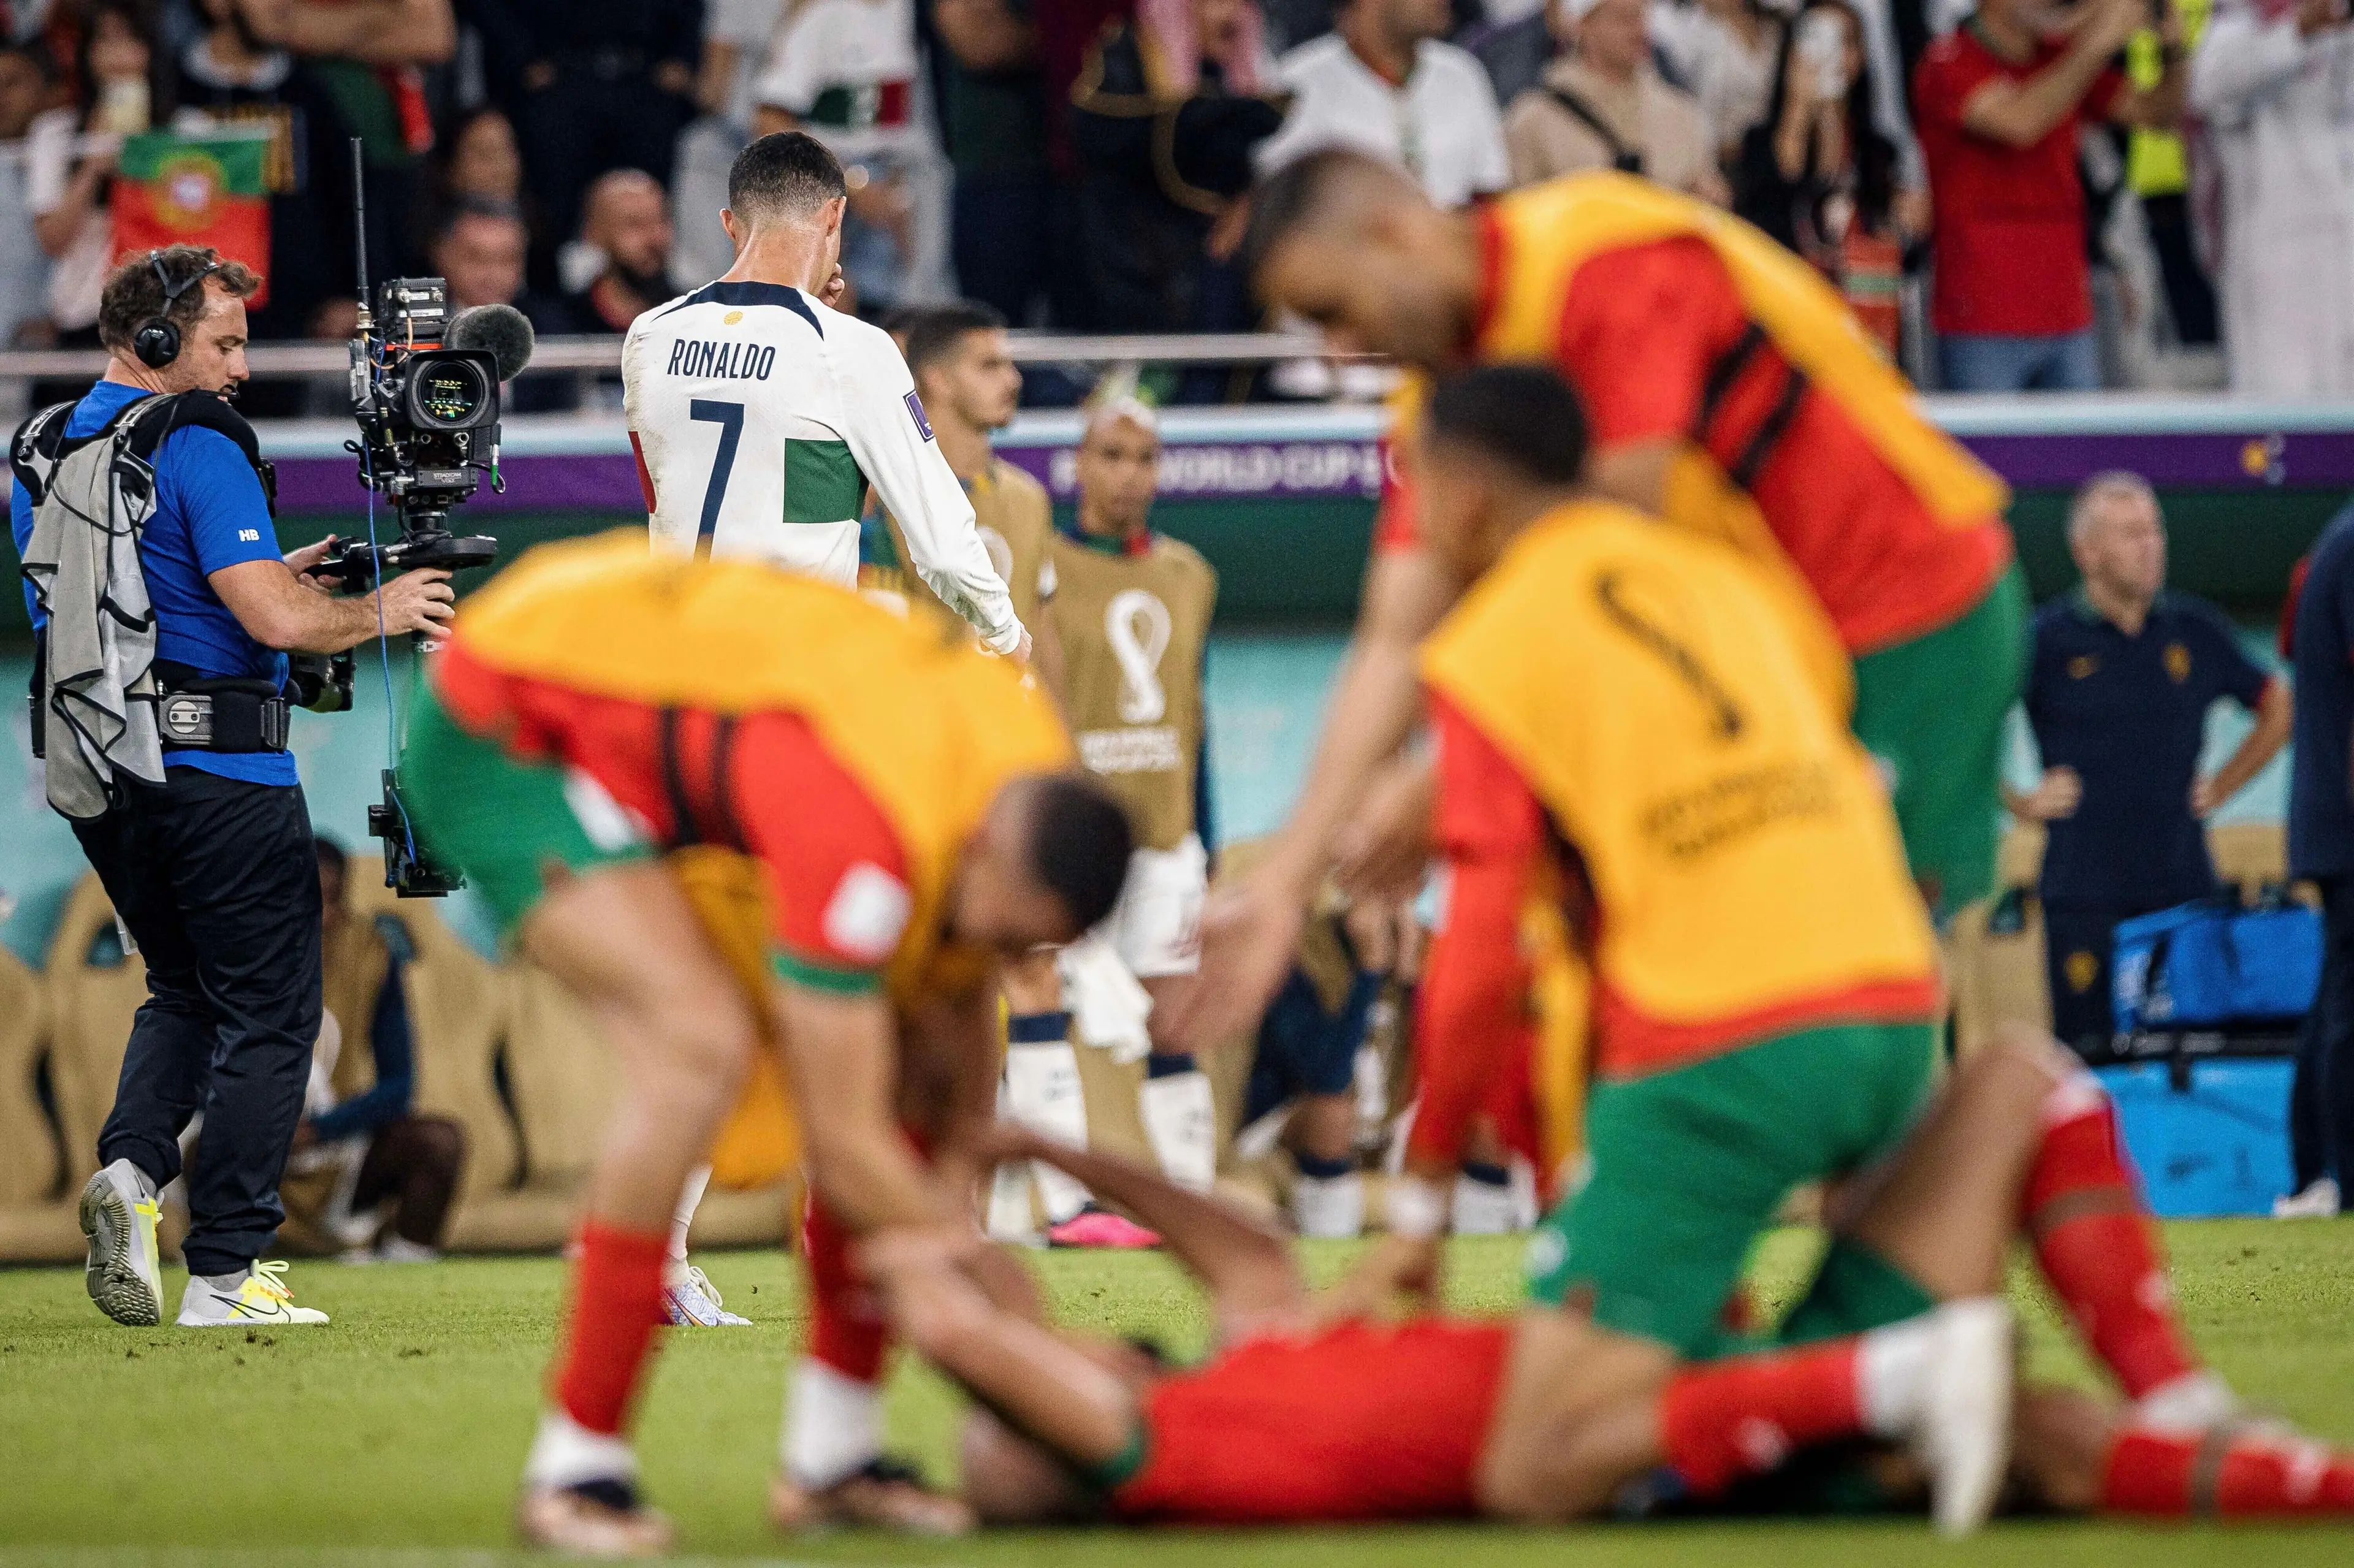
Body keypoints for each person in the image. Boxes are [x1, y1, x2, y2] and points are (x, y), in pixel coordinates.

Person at [1176, 153, 2021, 1051]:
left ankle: (1993, 1165)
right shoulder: (1445, 402)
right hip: (1776, 657)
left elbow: (1613, 562)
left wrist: (1442, 778)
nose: (1338, 355)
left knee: (1874, 970)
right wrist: (1281, 885)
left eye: (1333, 313)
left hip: (1913, 619)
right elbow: (1395, 636)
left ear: (1397, 234)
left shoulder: (1604, 262)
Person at [394, 531, 1135, 1550]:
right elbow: (842, 1131)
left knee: (904, 1095)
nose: (993, 958)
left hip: (692, 721)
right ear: (985, 848)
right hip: (511, 717)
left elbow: (952, 1046)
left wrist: (953, 1185)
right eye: (1002, 933)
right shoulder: (867, 823)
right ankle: (576, 1468)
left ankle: (833, 1462)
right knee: (699, 1047)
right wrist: (980, 1279)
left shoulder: (1017, 783)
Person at [874, 1019, 2339, 1531]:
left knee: (2016, 1074)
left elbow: (1240, 1250)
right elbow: (951, 1312)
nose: (994, 1431)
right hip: (1669, 1440)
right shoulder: (1161, 1456)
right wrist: (899, 1194)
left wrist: (1045, 1139)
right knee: (2048, 1443)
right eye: (1005, 1425)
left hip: (1669, 1350)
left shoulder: (1257, 1353)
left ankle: (2192, 1399)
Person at [13, 246, 453, 1330]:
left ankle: (128, 1174)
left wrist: (269, 575)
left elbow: (137, 599)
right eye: (224, 341)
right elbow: (277, 623)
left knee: (184, 990)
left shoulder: (46, 441)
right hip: (221, 764)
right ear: (154, 342)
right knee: (273, 1014)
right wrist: (379, 610)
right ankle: (224, 1274)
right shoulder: (198, 435)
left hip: (106, 775)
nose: (241, 368)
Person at [622, 133, 1029, 660]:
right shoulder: (850, 349)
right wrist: (1005, 634)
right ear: (836, 215)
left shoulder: (649, 335)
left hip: (682, 661)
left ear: (729, 225)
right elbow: (943, 546)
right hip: (792, 669)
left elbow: (672, 482)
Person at [2011, 473, 2290, 1052]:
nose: (2151, 545)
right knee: (2089, 1060)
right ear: (2087, 552)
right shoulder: (2047, 639)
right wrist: (2020, 800)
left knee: (2192, 1052)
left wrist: (2223, 785)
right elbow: (1964, 722)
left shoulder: (2194, 629)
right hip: (2083, 895)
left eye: (2155, 530)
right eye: (2131, 534)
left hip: (2183, 885)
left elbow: (2278, 706)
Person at [1046, 399, 1221, 1190]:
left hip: (1164, 844)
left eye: (1146, 457)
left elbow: (1194, 716)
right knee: (1045, 1016)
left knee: (1175, 1023)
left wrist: (1206, 846)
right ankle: (1049, 1206)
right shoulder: (1037, 565)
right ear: (1078, 464)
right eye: (1112, 455)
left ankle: (1189, 1198)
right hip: (1073, 841)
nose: (1129, 474)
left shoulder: (1189, 574)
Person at [1912, 0, 2184, 394]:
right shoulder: (1948, 61)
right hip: (1983, 316)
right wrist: (2097, 40)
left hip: (2068, 312)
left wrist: (2173, 48)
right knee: (1988, 456)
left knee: (2080, 454)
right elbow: (2020, 122)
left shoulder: (2060, 60)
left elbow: (2158, 113)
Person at [284, 837, 469, 1262]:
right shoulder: (240, 953)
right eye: (311, 901)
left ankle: (403, 1265)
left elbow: (399, 1084)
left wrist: (319, 1130)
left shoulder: (370, 954)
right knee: (212, 1146)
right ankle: (227, 1260)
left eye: (335, 901)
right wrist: (267, 1130)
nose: (325, 917)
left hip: (335, 1143)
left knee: (440, 1142)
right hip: (253, 1147)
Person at [1068, 0, 1286, 337]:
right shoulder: (1126, 59)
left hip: (1220, 262)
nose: (1229, 15)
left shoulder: (1224, 73)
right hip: (1137, 263)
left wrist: (1246, 207)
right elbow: (1116, 146)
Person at [2189, 0, 2354, 395]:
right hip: (2276, 249)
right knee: (2281, 401)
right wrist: (2298, 30)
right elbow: (2207, 88)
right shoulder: (2247, 12)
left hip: (2344, 237)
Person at [1732, 0, 1908, 356]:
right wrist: (1798, 109)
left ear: (1861, 56)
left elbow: (1898, 240)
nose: (1832, 55)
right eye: (1816, 41)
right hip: (1787, 324)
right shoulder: (1757, 143)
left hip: (1865, 330)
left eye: (1845, 42)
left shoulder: (1878, 152)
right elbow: (1766, 220)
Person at [470, 0, 704, 263]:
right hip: (558, 81)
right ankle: (552, 294)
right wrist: (521, 59)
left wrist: (684, 57)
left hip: (644, 82)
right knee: (553, 214)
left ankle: (646, 294)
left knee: (644, 208)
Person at [748, 0, 937, 314]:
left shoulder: (909, 11)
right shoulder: (823, 15)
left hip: (900, 182)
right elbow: (769, 121)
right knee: (833, 315)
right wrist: (850, 185)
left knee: (902, 317)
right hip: (828, 187)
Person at [1253, 0, 1510, 210]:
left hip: (1452, 260)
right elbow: (1279, 220)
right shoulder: (1295, 84)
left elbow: (1491, 197)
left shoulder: (1463, 73)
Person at [1243, 891, 1396, 1238]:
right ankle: (1331, 1247)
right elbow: (1328, 1076)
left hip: (1378, 1124)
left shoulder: (1422, 954)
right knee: (1332, 1113)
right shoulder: (1296, 967)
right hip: (1278, 1126)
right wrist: (1369, 972)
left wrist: (1412, 982)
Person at [2285, 498, 2354, 1219]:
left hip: (2328, 815)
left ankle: (2316, 1172)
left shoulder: (2334, 538)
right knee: (2348, 1004)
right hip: (2344, 816)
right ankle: (2338, 1175)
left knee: (2339, 993)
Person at [1499, 0, 1728, 201]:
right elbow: (1519, 218)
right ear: (1583, 25)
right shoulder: (1534, 120)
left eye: (1641, 16)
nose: (1639, 31)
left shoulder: (1679, 112)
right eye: (1623, 19)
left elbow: (1708, 198)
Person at [28, 1, 153, 349]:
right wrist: (92, 166)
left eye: (132, 42)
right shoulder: (55, 133)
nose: (120, 57)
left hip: (163, 321)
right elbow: (52, 239)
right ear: (86, 54)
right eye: (106, 42)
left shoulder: (187, 130)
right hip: (84, 315)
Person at [430, 202, 582, 413]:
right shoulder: (420, 332)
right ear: (444, 257)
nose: (492, 274)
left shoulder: (551, 328)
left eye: (506, 260)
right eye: (477, 258)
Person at [565, 169, 681, 333]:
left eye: (661, 220)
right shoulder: (563, 326)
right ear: (594, 233)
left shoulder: (695, 316)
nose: (655, 237)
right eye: (635, 224)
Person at [0, 40, 55, 351]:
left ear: (48, 90)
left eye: (13, 84)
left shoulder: (72, 157)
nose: (1, 97)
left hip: (50, 339)